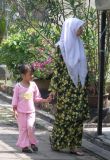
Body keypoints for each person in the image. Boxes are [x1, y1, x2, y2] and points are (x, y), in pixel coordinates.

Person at [49, 17, 89, 156]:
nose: (82, 30)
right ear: (72, 28)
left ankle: (75, 146)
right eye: (80, 27)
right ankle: (57, 141)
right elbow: (57, 69)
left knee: (78, 116)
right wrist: (54, 89)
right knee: (65, 117)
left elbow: (84, 66)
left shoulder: (80, 44)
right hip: (66, 88)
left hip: (79, 87)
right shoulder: (61, 47)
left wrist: (89, 83)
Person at [12, 64, 51, 153]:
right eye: (30, 74)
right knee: (23, 129)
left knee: (30, 127)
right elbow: (15, 99)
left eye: (32, 74)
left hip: (31, 112)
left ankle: (32, 143)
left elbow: (36, 98)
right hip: (21, 112)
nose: (32, 76)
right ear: (23, 75)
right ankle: (24, 147)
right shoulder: (18, 86)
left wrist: (45, 100)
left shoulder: (33, 85)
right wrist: (14, 111)